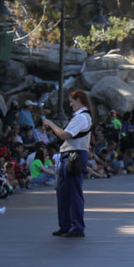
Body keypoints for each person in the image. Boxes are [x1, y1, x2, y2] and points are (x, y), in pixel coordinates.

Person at [44, 90, 93, 238]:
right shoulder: (80, 117)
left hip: (74, 154)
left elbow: (66, 135)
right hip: (70, 153)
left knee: (73, 191)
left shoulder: (81, 117)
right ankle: (65, 225)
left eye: (72, 101)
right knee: (63, 191)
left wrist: (51, 124)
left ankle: (77, 226)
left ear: (78, 100)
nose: (70, 104)